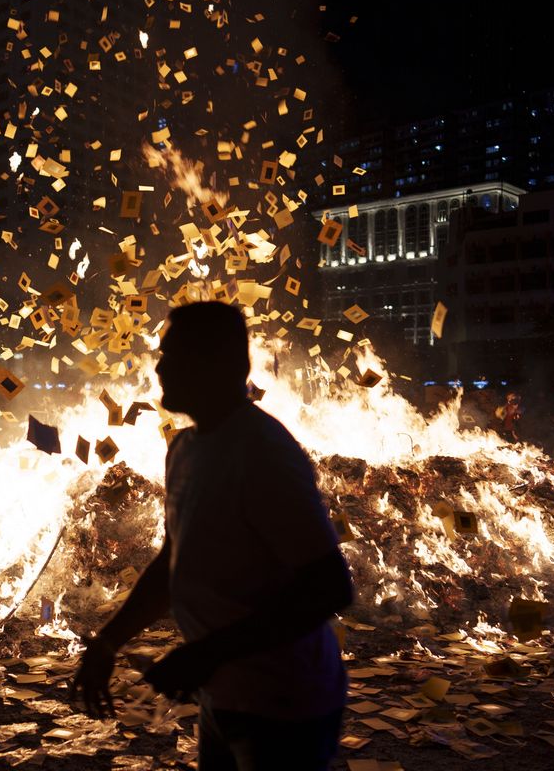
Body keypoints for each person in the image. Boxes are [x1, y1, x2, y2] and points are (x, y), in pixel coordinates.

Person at [72, 302, 353, 771]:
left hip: (285, 706)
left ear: (219, 363)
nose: (159, 367)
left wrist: (205, 654)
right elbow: (173, 562)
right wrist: (107, 643)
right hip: (223, 699)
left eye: (174, 354)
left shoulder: (262, 453)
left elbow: (328, 587)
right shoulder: (183, 449)